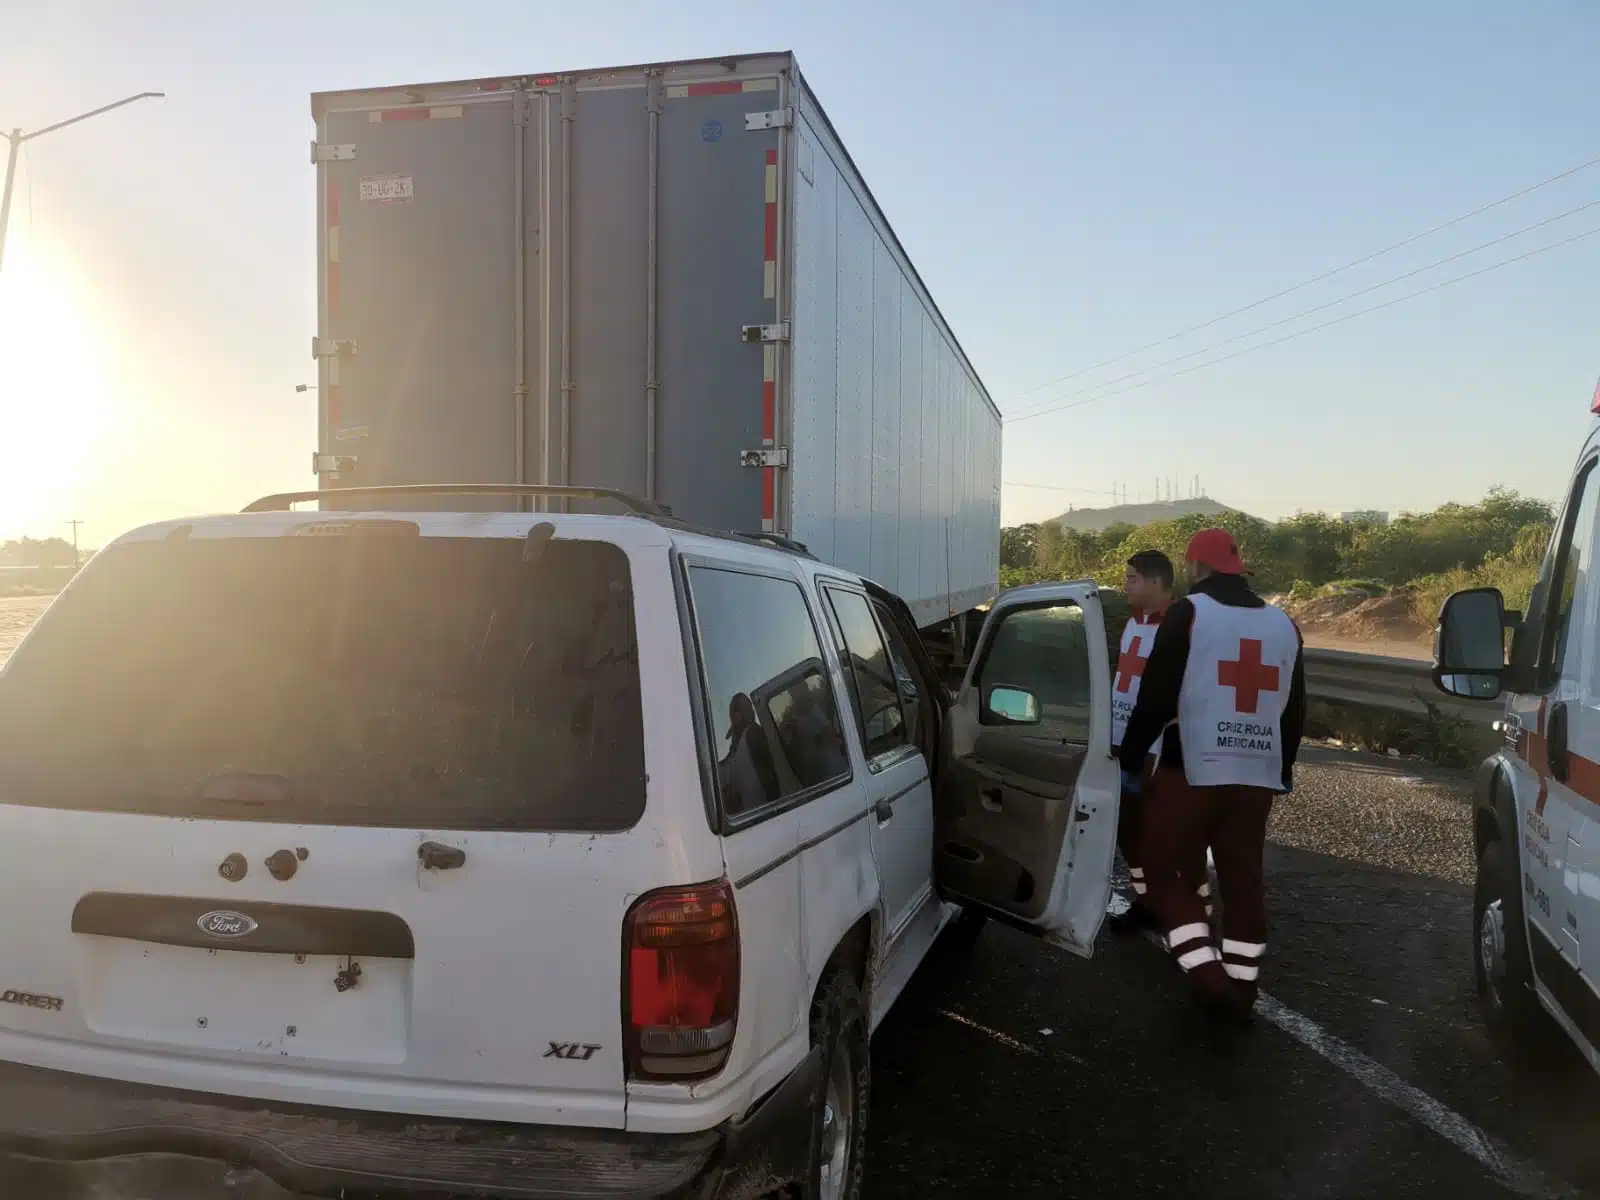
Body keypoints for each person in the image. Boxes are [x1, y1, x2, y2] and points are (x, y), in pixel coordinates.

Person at [1117, 529, 1306, 1021]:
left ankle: (1209, 978)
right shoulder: (1284, 624)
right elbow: (1294, 708)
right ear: (1238, 570)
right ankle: (1243, 987)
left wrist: (1132, 756)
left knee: (1160, 870)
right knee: (1243, 879)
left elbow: (1156, 695)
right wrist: (1281, 766)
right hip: (1257, 775)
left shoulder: (1191, 613)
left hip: (1192, 768)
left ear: (1195, 568)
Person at [1107, 550, 1175, 934]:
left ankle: (1173, 909)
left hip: (1157, 749)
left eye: (1132, 578)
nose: (1126, 584)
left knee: (1160, 834)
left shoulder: (1179, 626)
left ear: (1154, 581)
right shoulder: (1134, 623)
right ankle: (1144, 898)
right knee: (1128, 831)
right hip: (1122, 743)